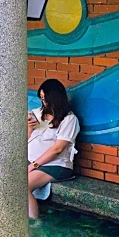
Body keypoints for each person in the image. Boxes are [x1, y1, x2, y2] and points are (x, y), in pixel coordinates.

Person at [28, 79, 81, 218]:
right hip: (31, 160)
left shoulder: (69, 120)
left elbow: (57, 149)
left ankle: (33, 224)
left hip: (54, 164)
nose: (43, 103)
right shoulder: (37, 113)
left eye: (46, 99)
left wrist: (34, 165)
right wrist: (29, 127)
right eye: (41, 98)